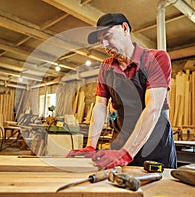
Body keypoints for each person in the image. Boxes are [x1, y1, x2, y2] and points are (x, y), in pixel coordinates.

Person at [67, 13, 177, 169]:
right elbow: (100, 106)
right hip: (120, 144)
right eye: (101, 41)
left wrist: (127, 153)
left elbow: (153, 108)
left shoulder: (156, 58)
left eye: (107, 36)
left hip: (154, 147)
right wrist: (91, 145)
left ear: (124, 28)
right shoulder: (106, 68)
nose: (104, 45)